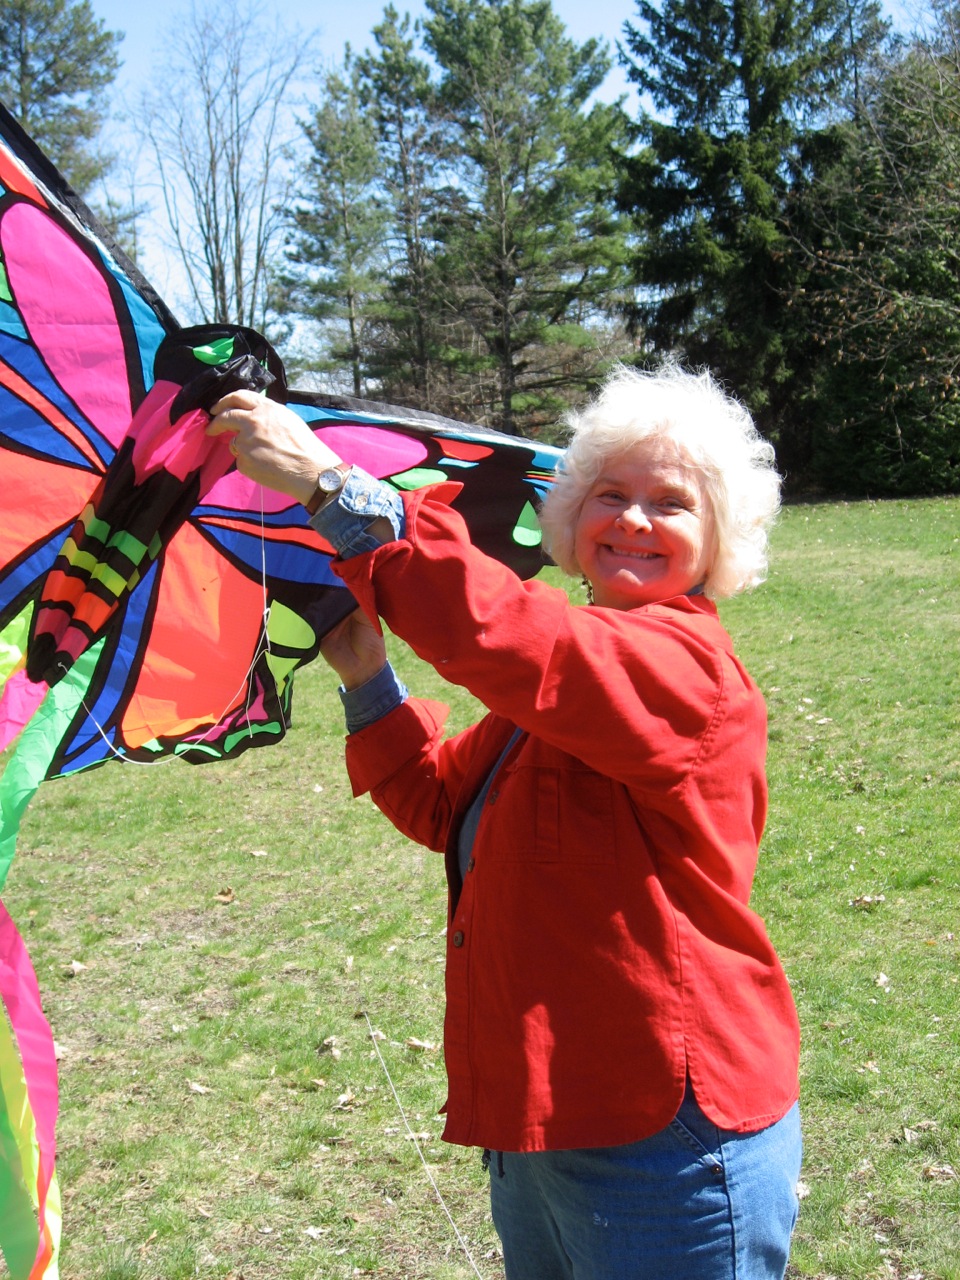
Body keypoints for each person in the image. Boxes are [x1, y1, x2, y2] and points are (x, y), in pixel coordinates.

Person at [208, 361, 802, 1280]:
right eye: (610, 494)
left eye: (671, 503)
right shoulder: (567, 688)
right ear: (572, 518)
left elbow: (517, 637)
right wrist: (366, 673)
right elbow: (440, 801)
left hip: (665, 1135)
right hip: (546, 1112)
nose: (633, 519)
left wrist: (336, 489)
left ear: (720, 540)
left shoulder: (684, 672)